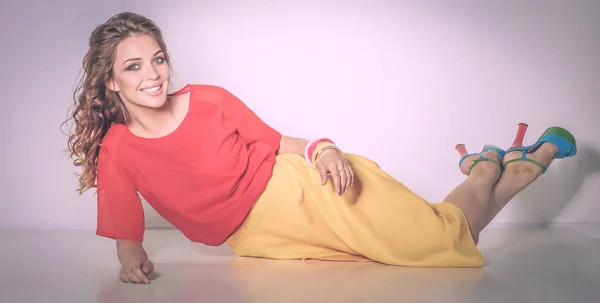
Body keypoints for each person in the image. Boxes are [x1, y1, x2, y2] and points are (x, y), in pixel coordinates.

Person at [63, 12, 577, 284]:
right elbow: (123, 219)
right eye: (133, 67)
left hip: (313, 186)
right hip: (262, 240)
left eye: (158, 59)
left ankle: (508, 170)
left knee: (434, 241)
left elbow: (279, 142)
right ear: (110, 81)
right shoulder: (118, 150)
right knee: (422, 249)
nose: (152, 75)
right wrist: (130, 260)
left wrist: (327, 150)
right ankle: (494, 167)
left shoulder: (210, 100)